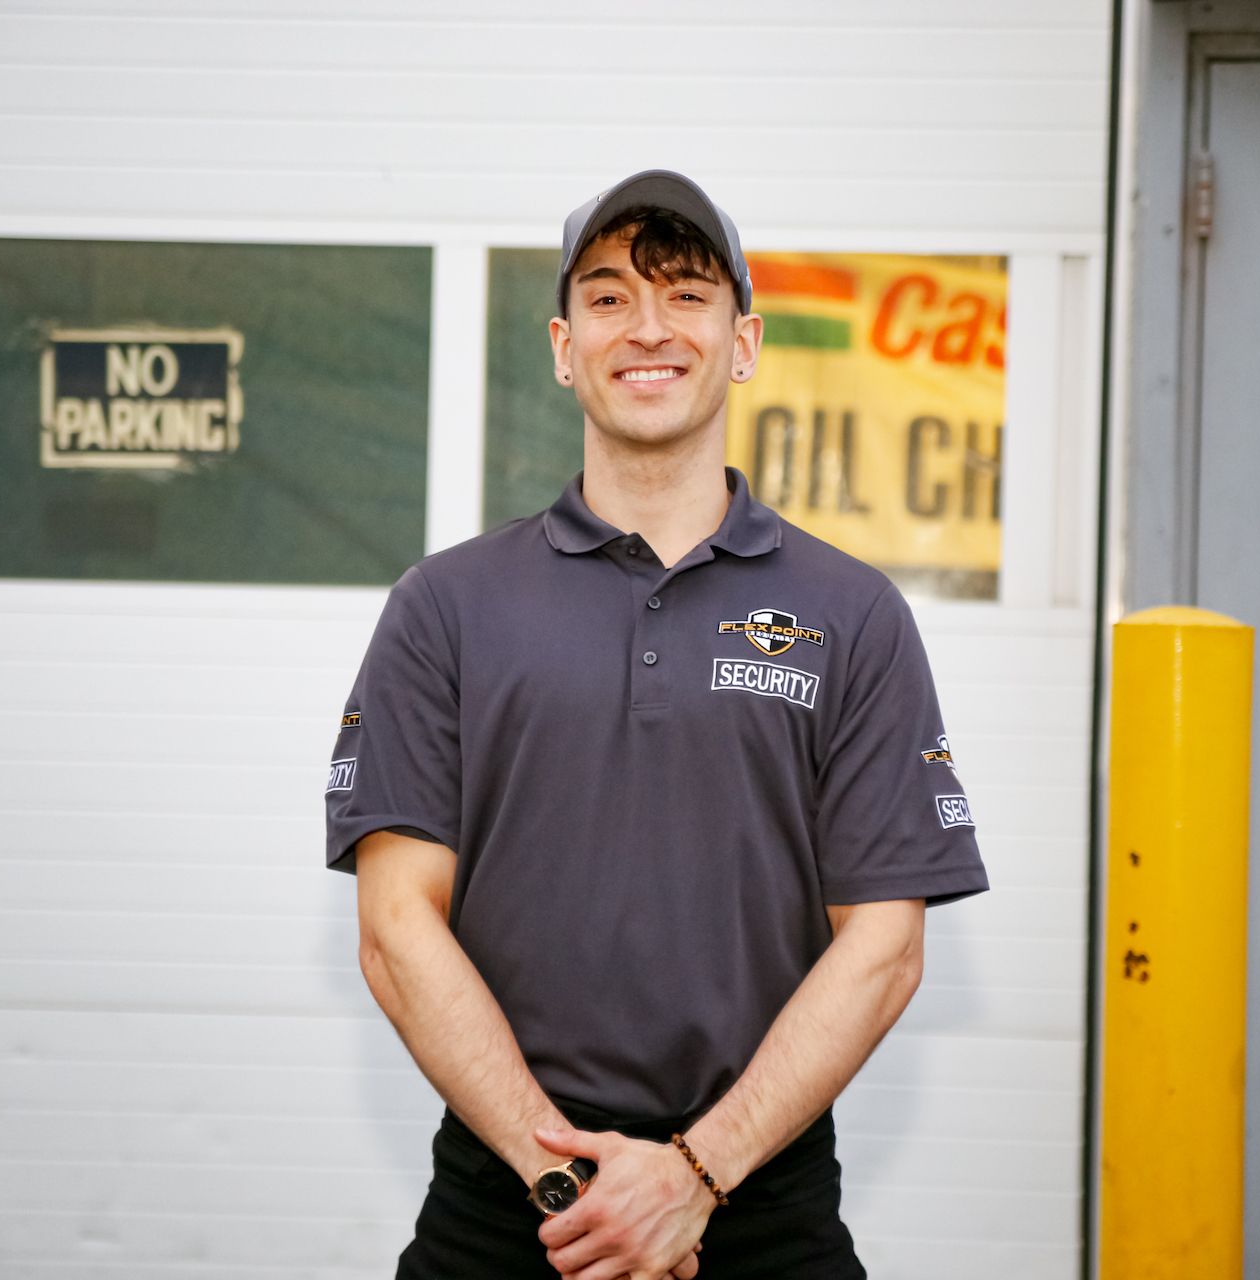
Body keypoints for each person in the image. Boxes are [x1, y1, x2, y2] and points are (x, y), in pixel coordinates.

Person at [325, 169, 989, 1279]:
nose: (648, 328)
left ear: (743, 341)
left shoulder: (852, 613)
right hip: (509, 1208)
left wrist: (695, 1173)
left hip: (761, 1208)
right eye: (607, 295)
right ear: (560, 343)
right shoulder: (446, 605)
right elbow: (397, 929)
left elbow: (886, 943)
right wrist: (573, 1188)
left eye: (686, 295)